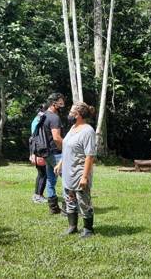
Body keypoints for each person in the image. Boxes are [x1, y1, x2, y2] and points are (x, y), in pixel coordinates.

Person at [54, 102, 97, 238]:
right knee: (70, 201)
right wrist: (60, 163)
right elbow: (67, 148)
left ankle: (88, 229)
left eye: (72, 112)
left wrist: (85, 177)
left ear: (78, 115)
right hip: (68, 173)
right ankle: (72, 227)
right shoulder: (73, 128)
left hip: (79, 173)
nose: (69, 114)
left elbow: (90, 156)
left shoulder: (88, 131)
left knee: (84, 202)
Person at [43, 93, 66, 214]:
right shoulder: (54, 118)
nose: (63, 105)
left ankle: (53, 208)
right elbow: (56, 138)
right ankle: (67, 208)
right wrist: (66, 148)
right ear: (54, 103)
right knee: (67, 179)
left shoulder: (43, 116)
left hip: (46, 153)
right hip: (56, 153)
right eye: (60, 103)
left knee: (50, 180)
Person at [30, 104, 47, 204]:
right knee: (43, 174)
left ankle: (38, 194)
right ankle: (38, 195)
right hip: (39, 149)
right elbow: (35, 136)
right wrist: (33, 153)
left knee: (42, 173)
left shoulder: (38, 117)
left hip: (36, 148)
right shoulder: (41, 118)